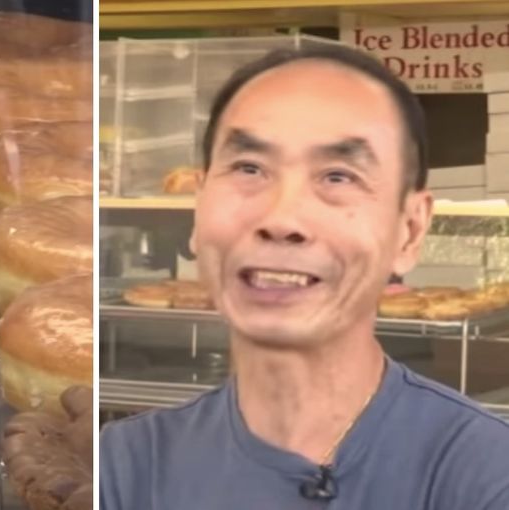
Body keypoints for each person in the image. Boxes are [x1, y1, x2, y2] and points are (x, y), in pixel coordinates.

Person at [99, 44, 509, 509]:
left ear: (410, 230)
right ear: (198, 208)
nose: (282, 218)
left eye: (338, 176)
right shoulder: (122, 468)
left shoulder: (486, 476)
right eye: (249, 168)